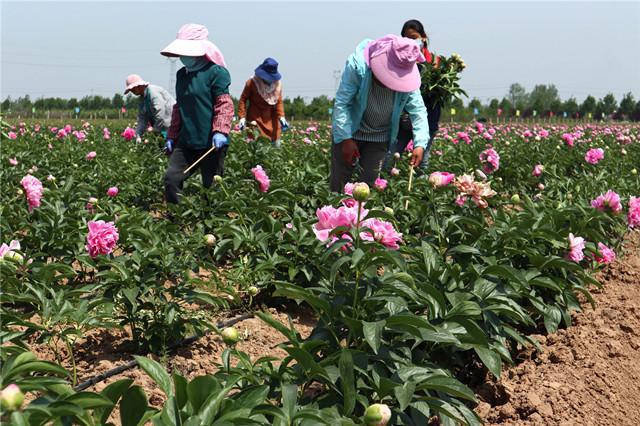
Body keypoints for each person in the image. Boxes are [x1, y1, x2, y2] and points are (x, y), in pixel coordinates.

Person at [330, 34, 430, 192]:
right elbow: (343, 103)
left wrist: (420, 144)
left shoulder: (407, 77)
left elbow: (418, 111)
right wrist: (345, 138)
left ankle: (361, 217)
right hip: (350, 132)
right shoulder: (358, 67)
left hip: (379, 138)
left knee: (367, 190)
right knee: (339, 187)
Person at [160, 23, 234, 204]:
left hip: (210, 142)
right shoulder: (182, 75)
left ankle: (213, 226)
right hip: (186, 141)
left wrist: (220, 131)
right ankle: (175, 220)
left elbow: (223, 103)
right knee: (172, 178)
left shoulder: (216, 73)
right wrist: (172, 136)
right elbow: (179, 107)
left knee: (211, 188)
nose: (184, 56)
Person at [386, 19, 442, 171]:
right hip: (403, 119)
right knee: (390, 158)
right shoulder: (402, 62)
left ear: (423, 37)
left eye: (414, 37)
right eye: (406, 38)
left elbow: (440, 94)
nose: (411, 42)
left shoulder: (436, 62)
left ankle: (421, 192)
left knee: (421, 162)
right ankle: (384, 187)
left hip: (428, 117)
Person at [237, 58, 289, 148]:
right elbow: (243, 99)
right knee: (257, 147)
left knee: (275, 148)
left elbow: (279, 102)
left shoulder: (277, 85)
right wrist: (242, 117)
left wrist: (282, 116)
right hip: (256, 119)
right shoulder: (252, 83)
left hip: (273, 120)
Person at [124, 75, 175, 143]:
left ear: (138, 86)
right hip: (162, 127)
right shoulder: (142, 99)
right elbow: (142, 119)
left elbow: (160, 113)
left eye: (132, 89)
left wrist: (155, 131)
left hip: (172, 124)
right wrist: (137, 135)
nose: (131, 91)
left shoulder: (153, 92)